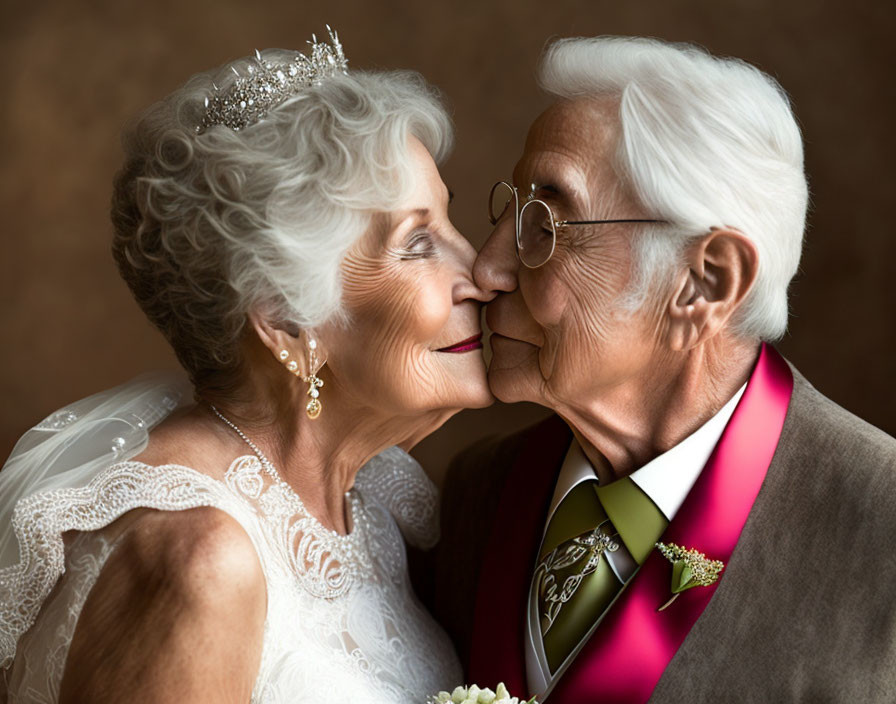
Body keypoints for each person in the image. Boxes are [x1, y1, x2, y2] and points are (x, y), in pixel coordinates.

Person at [0, 30, 494, 702]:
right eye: (418, 245)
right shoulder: (203, 558)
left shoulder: (374, 497)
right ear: (287, 323)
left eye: (449, 222)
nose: (480, 273)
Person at [427, 36, 896, 702]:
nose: (488, 267)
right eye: (511, 213)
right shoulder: (479, 492)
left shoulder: (882, 529)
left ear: (706, 283)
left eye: (547, 225)